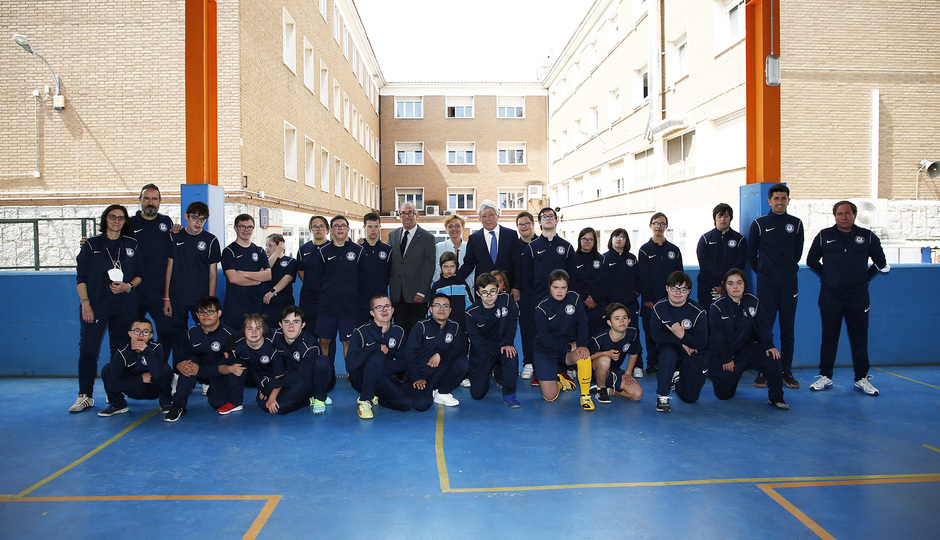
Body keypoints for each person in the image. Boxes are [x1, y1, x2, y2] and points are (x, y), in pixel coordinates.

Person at [806, 201, 890, 396]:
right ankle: (825, 376)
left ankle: (861, 378)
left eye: (847, 213)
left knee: (859, 337)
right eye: (839, 213)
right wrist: (827, 277)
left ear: (854, 215)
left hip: (857, 297)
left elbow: (881, 262)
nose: (843, 217)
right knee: (829, 336)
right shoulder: (824, 236)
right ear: (834, 216)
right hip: (830, 296)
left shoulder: (867, 237)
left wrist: (864, 279)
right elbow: (811, 260)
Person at [71, 204, 142, 413]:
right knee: (88, 350)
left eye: (121, 218)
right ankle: (85, 395)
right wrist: (86, 304)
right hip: (96, 305)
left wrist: (128, 286)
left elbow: (140, 275)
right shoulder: (92, 244)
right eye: (112, 217)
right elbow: (81, 277)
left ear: (125, 221)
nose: (116, 221)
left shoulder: (132, 244)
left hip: (124, 305)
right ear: (105, 219)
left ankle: (115, 399)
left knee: (118, 352)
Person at [747, 183, 803, 389]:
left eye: (784, 198)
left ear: (788, 200)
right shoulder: (759, 224)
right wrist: (764, 273)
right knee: (765, 329)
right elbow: (751, 254)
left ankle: (786, 371)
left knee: (788, 331)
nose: (780, 202)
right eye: (776, 199)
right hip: (767, 286)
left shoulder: (796, 224)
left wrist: (784, 271)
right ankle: (764, 370)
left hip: (789, 286)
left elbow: (796, 254)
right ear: (769, 201)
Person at [708, 269, 788, 410]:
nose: (735, 287)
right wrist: (726, 358)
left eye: (739, 283)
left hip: (748, 350)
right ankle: (723, 377)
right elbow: (717, 337)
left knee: (773, 357)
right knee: (724, 395)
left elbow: (763, 326)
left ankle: (776, 397)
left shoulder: (753, 301)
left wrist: (769, 345)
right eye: (731, 283)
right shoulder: (717, 307)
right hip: (726, 355)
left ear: (744, 284)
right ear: (725, 286)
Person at [165, 296, 243, 422]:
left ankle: (212, 389)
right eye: (202, 312)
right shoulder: (191, 333)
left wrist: (200, 370)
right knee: (188, 362)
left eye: (210, 312)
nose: (205, 315)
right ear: (197, 314)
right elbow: (180, 355)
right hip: (197, 369)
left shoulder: (229, 336)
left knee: (218, 402)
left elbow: (228, 367)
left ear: (219, 313)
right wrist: (179, 365)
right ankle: (178, 405)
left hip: (218, 373)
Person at [346, 295, 426, 416]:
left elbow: (404, 362)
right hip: (361, 378)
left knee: (406, 403)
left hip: (383, 377)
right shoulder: (360, 332)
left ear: (392, 310)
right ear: (372, 313)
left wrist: (386, 366)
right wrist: (374, 348)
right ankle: (364, 401)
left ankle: (377, 398)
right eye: (379, 308)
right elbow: (351, 365)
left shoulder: (398, 332)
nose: (384, 310)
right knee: (377, 355)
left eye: (387, 307)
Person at [163, 201, 222, 364]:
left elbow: (212, 274)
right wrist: (166, 298)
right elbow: (169, 268)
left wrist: (210, 302)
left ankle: (207, 376)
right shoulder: (174, 236)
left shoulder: (211, 241)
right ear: (186, 217)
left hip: (201, 300)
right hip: (177, 298)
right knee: (178, 337)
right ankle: (178, 373)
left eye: (202, 219)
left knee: (207, 335)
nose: (198, 222)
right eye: (195, 217)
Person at [129, 184, 180, 363]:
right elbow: (109, 239)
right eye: (146, 198)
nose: (150, 202)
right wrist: (89, 241)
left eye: (154, 199)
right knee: (132, 334)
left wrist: (178, 230)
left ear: (159, 201)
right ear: (140, 200)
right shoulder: (129, 224)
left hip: (160, 291)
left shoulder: (166, 222)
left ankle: (159, 368)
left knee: (166, 330)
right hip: (134, 290)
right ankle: (135, 369)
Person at [533, 270, 593, 410]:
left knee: (584, 354)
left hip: (566, 351)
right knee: (550, 397)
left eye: (563, 287)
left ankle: (585, 396)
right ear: (549, 287)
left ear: (568, 287)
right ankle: (560, 382)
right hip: (546, 351)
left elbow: (583, 323)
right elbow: (545, 338)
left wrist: (582, 344)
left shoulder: (575, 299)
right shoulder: (541, 308)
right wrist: (568, 346)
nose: (560, 291)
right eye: (556, 287)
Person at [650, 271, 708, 413]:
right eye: (674, 288)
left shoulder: (698, 312)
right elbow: (655, 335)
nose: (678, 292)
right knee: (667, 353)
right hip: (671, 347)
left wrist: (684, 336)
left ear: (688, 291)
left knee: (690, 398)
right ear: (667, 288)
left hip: (693, 351)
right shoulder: (659, 308)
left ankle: (677, 380)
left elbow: (702, 342)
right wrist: (680, 340)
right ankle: (663, 396)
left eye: (683, 289)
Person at [403, 293, 469, 409]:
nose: (441, 309)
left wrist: (440, 355)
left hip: (439, 372)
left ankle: (442, 392)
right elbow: (409, 354)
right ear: (431, 309)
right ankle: (429, 391)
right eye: (437, 305)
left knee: (462, 362)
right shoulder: (421, 327)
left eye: (445, 306)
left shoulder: (454, 327)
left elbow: (458, 349)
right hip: (421, 374)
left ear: (450, 310)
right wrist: (416, 377)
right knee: (422, 405)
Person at [638, 212, 683, 375]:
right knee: (651, 330)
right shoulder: (644, 250)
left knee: (672, 330)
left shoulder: (674, 250)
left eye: (662, 223)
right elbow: (643, 275)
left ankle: (673, 362)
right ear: (650, 226)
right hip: (651, 301)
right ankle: (652, 362)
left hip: (672, 300)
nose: (659, 226)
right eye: (656, 223)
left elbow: (680, 275)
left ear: (666, 227)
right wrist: (648, 298)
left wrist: (678, 296)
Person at [465, 273, 521, 407]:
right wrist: (498, 347)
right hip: (483, 352)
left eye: (492, 291)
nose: (489, 296)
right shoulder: (471, 313)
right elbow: (477, 340)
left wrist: (507, 343)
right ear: (478, 293)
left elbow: (512, 322)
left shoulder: (506, 300)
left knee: (511, 354)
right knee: (477, 394)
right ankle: (486, 380)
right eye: (484, 292)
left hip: (502, 346)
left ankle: (509, 394)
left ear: (498, 289)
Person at [98, 318, 173, 416]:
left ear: (151, 336)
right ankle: (117, 404)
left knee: (166, 369)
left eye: (145, 332)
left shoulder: (156, 348)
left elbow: (158, 374)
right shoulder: (122, 353)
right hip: (131, 389)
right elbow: (113, 385)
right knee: (107, 369)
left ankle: (166, 403)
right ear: (130, 333)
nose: (141, 335)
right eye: (137, 331)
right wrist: (141, 379)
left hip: (153, 390)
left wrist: (147, 351)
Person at [316, 215, 364, 360]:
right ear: (331, 230)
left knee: (348, 341)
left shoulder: (358, 251)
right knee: (324, 341)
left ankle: (351, 373)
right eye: (336, 226)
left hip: (349, 307)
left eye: (343, 225)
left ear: (348, 229)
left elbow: (363, 279)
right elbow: (318, 279)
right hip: (327, 307)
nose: (340, 228)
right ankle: (325, 372)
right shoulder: (324, 252)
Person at [271, 306, 333, 414]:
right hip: (292, 377)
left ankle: (319, 397)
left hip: (312, 379)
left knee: (322, 362)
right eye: (286, 322)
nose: (291, 326)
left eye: (295, 322)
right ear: (280, 324)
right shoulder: (275, 336)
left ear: (302, 325)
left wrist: (272, 384)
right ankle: (309, 400)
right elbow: (255, 330)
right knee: (276, 406)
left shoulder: (309, 346)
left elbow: (301, 376)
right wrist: (232, 344)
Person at [455, 200, 522, 301]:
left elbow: (517, 263)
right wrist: (452, 278)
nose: (488, 219)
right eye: (484, 216)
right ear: (479, 219)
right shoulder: (474, 238)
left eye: (491, 215)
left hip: (506, 289)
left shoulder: (511, 235)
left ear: (497, 216)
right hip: (483, 290)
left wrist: (516, 287)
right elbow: (468, 264)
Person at [388, 202, 436, 336]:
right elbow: (386, 257)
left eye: (410, 212)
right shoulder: (393, 235)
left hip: (417, 296)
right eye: (403, 213)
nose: (406, 216)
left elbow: (429, 266)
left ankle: (415, 357)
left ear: (417, 215)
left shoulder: (427, 238)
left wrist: (421, 292)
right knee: (399, 333)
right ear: (399, 216)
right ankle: (402, 357)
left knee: (416, 334)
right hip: (397, 295)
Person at [586, 303, 643, 403]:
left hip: (614, 371)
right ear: (609, 322)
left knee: (637, 395)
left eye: (624, 318)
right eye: (617, 318)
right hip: (594, 372)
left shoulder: (632, 333)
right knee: (605, 360)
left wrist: (628, 373)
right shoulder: (599, 339)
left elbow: (634, 353)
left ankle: (609, 391)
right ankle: (600, 389)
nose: (621, 321)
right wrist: (606, 353)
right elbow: (585, 357)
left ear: (629, 320)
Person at [221, 214, 271, 329]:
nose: (246, 230)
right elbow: (233, 278)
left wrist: (243, 273)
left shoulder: (259, 251)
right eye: (242, 226)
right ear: (235, 228)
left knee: (256, 342)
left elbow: (268, 275)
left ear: (253, 229)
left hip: (256, 307)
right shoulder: (229, 251)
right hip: (235, 309)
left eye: (249, 227)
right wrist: (257, 279)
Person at [604, 229, 642, 378]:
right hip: (611, 305)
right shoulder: (604, 258)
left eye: (622, 237)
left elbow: (639, 279)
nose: (619, 240)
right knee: (610, 336)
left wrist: (635, 293)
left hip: (630, 304)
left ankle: (637, 366)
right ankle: (609, 366)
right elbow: (601, 282)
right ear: (611, 239)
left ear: (627, 241)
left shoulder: (632, 259)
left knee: (634, 334)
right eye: (616, 237)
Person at [696, 203, 747, 309]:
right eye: (720, 216)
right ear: (715, 218)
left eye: (726, 216)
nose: (723, 219)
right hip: (708, 286)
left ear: (731, 218)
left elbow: (740, 262)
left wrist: (726, 282)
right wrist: (719, 280)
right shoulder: (705, 239)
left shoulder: (739, 240)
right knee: (708, 317)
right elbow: (703, 262)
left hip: (732, 286)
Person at [227, 313, 281, 413]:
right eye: (250, 329)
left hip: (270, 378)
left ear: (264, 330)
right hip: (253, 376)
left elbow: (280, 376)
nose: (254, 332)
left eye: (258, 328)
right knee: (236, 364)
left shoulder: (272, 348)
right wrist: (229, 369)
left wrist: (272, 394)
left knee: (267, 406)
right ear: (244, 331)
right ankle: (235, 402)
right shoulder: (238, 347)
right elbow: (221, 366)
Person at [296, 215, 330, 336]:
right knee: (307, 335)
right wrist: (312, 284)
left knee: (326, 338)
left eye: (321, 226)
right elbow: (301, 271)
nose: (318, 229)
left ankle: (326, 356)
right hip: (308, 300)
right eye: (315, 226)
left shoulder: (334, 249)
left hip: (328, 299)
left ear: (327, 229)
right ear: (310, 229)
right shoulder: (303, 249)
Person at [572, 226, 609, 335]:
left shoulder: (601, 259)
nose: (587, 242)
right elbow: (572, 282)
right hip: (579, 304)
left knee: (598, 337)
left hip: (598, 305)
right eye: (584, 239)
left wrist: (594, 298)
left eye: (590, 239)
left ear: (595, 241)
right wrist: (584, 298)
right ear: (579, 240)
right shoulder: (572, 258)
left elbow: (605, 283)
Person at [515, 211, 538, 380]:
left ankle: (544, 364)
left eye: (526, 223)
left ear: (533, 224)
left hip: (543, 296)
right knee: (527, 331)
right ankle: (528, 363)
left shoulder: (542, 243)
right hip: (524, 297)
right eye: (520, 224)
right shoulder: (514, 247)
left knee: (544, 331)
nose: (524, 227)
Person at [356, 213, 392, 325]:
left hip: (381, 301)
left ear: (380, 227)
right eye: (370, 226)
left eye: (376, 226)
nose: (373, 230)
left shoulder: (387, 250)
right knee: (362, 335)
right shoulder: (357, 249)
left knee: (381, 334)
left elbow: (389, 274)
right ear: (364, 227)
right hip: (361, 302)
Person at [261, 233, 297, 327]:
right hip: (267, 305)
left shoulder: (290, 261)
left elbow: (287, 278)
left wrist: (272, 292)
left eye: (270, 246)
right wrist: (275, 253)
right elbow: (265, 270)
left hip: (284, 303)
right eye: (266, 246)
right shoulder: (265, 261)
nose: (267, 248)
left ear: (280, 245)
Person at [429, 252, 472, 329]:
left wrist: (470, 321)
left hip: (461, 324)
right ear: (441, 267)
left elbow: (469, 304)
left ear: (456, 267)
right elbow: (431, 307)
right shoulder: (437, 286)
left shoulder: (462, 284)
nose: (449, 269)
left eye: (452, 266)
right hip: (441, 325)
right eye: (445, 266)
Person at [432, 214, 473, 293]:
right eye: (450, 226)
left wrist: (463, 286)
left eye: (457, 225)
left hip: (466, 290)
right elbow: (436, 270)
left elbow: (473, 271)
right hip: (444, 291)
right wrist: (444, 285)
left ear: (463, 228)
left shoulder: (470, 247)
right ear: (446, 229)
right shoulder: (439, 247)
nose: (454, 228)